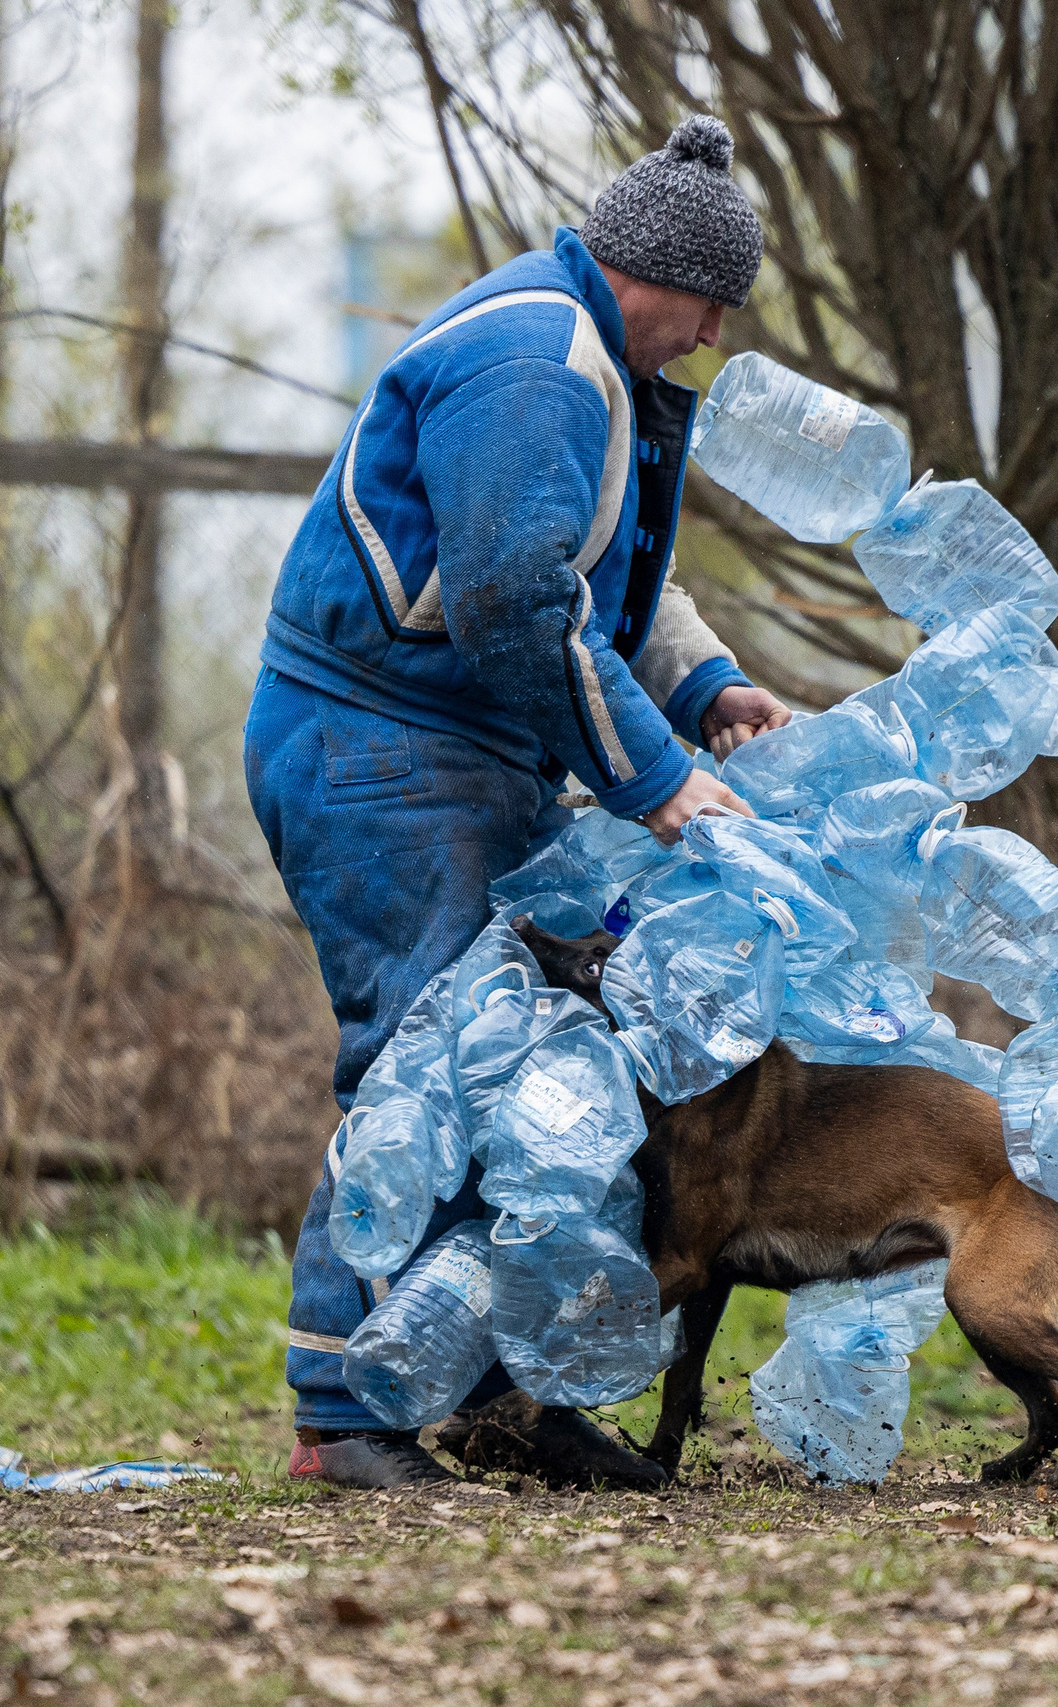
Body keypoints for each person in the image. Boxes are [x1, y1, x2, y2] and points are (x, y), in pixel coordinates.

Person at [243, 114, 789, 1489]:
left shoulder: (585, 356)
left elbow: (597, 577)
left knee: (538, 1064)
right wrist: (659, 785)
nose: (713, 333)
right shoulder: (534, 365)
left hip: (460, 750)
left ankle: (488, 1389)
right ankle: (344, 1414)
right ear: (646, 270)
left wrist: (704, 684)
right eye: (711, 302)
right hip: (378, 748)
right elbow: (512, 607)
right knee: (427, 1065)